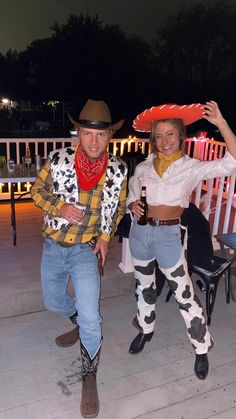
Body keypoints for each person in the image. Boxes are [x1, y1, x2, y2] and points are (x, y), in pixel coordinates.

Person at [31, 99, 127, 418]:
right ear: (79, 133)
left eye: (100, 135)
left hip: (85, 248)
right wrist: (59, 207)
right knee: (53, 301)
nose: (93, 141)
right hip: (54, 246)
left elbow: (118, 208)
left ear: (109, 137)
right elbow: (36, 191)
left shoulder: (117, 170)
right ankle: (75, 317)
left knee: (92, 316)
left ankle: (89, 375)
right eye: (87, 133)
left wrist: (104, 236)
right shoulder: (58, 160)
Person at [126, 100, 236, 380]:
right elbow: (131, 193)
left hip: (169, 235)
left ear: (181, 137)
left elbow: (232, 162)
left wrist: (221, 124)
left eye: (170, 134)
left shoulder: (192, 167)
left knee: (184, 294)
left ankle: (201, 347)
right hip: (140, 235)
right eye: (158, 135)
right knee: (144, 287)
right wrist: (131, 206)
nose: (164, 141)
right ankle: (146, 329)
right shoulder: (143, 166)